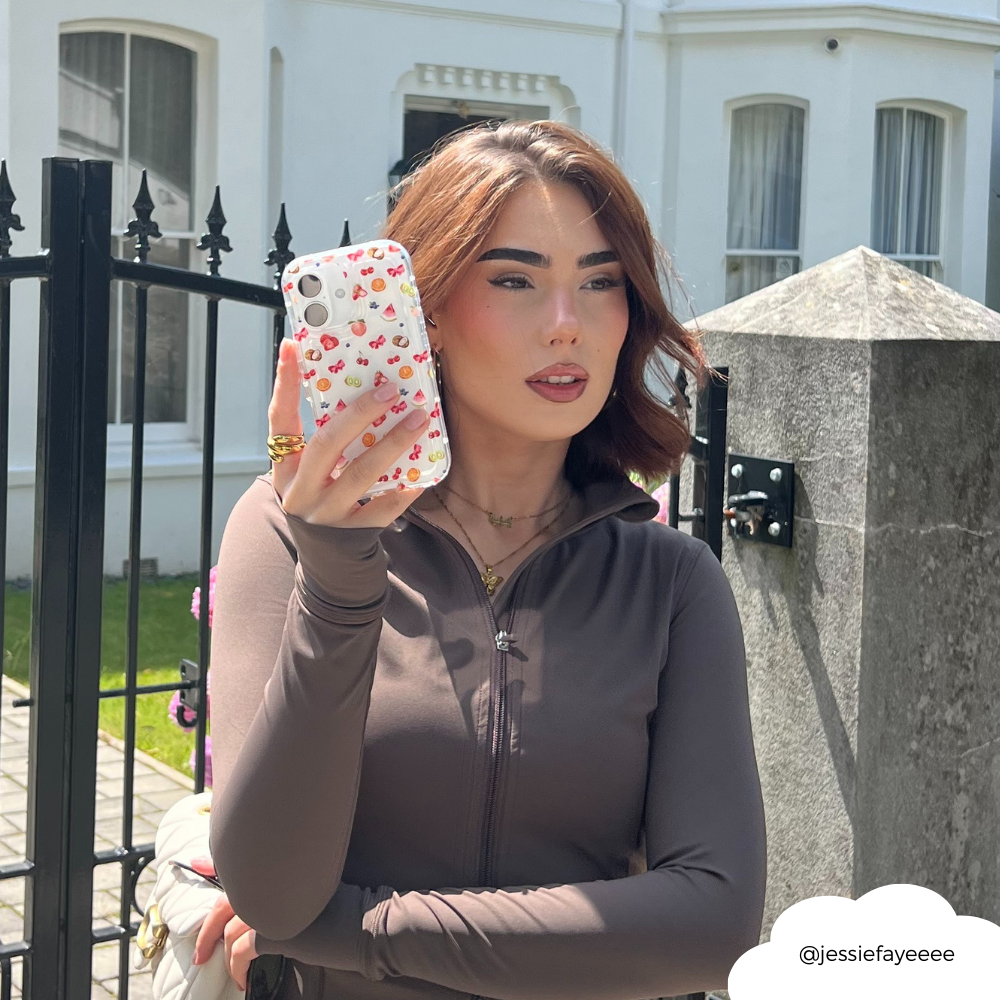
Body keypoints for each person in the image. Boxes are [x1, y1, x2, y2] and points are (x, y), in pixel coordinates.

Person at [197, 119, 767, 1000]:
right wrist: (341, 587)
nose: (568, 325)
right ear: (425, 309)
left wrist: (352, 929)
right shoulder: (285, 533)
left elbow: (712, 923)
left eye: (601, 281)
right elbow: (272, 887)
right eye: (514, 279)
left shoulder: (671, 582)